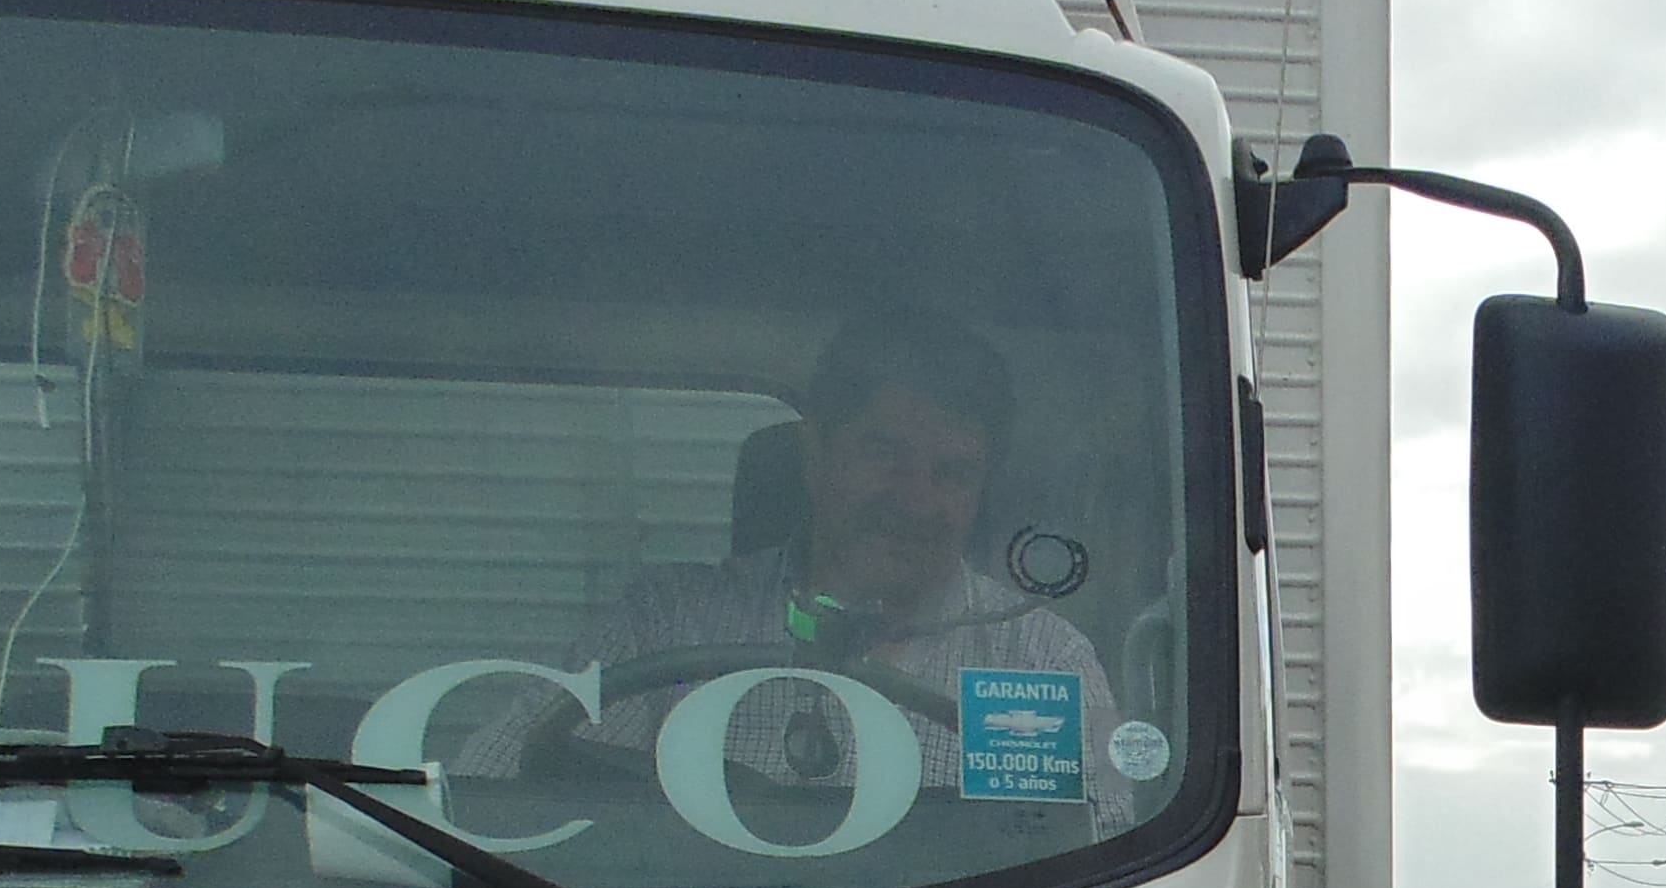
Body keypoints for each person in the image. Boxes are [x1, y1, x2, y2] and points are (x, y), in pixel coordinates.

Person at [453, 307, 1150, 821]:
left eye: (952, 473)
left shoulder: (1039, 660)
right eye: (886, 455)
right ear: (815, 457)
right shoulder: (667, 622)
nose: (916, 500)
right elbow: (491, 794)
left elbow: (1111, 861)